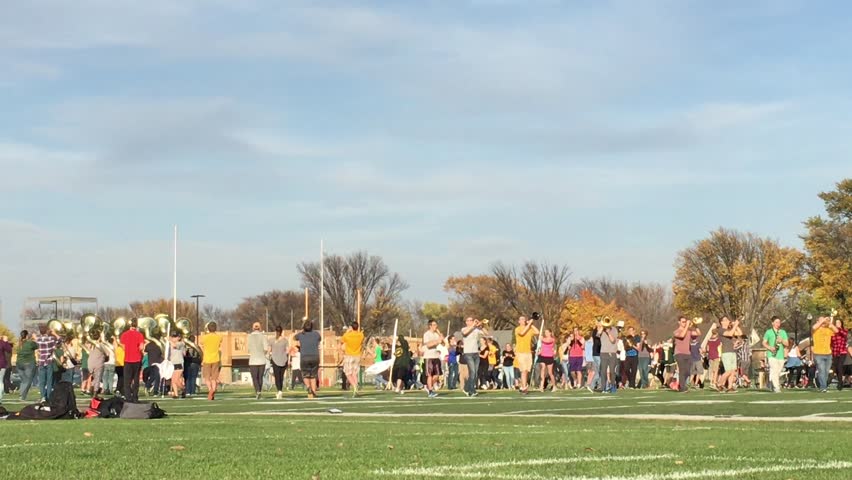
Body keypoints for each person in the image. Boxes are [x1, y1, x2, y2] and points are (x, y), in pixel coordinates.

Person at [762, 316, 789, 393]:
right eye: (776, 322)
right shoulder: (768, 332)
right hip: (771, 355)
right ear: (772, 323)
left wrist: (782, 340)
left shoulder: (783, 332)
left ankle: (771, 384)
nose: (778, 324)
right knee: (774, 370)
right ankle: (777, 387)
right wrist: (769, 347)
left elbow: (787, 344)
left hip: (780, 355)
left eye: (779, 322)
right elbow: (764, 342)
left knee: (778, 371)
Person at [294, 320, 321, 399]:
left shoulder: (301, 334)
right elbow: (319, 339)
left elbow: (293, 337)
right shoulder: (316, 334)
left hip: (305, 356)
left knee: (305, 374)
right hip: (315, 356)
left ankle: (308, 387)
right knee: (313, 375)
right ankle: (314, 391)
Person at [714, 317, 742, 392]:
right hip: (726, 352)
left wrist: (736, 325)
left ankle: (730, 387)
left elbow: (740, 333)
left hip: (732, 351)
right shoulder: (721, 330)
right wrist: (735, 325)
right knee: (728, 371)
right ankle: (719, 384)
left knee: (733, 371)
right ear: (721, 322)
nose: (727, 321)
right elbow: (730, 334)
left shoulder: (730, 329)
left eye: (728, 320)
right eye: (725, 320)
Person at [120, 319, 145, 403]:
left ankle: (128, 397)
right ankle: (135, 397)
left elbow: (123, 347)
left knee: (127, 380)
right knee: (136, 379)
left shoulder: (124, 335)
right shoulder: (140, 335)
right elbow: (141, 347)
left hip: (127, 359)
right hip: (137, 359)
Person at [672, 316, 699, 393]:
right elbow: (682, 335)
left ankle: (680, 384)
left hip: (688, 353)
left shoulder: (688, 331)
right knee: (682, 370)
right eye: (683, 322)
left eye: (685, 321)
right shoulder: (676, 331)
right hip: (679, 353)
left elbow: (698, 333)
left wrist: (696, 325)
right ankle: (682, 387)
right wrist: (687, 325)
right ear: (679, 322)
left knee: (688, 371)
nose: (684, 323)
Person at [35, 324, 61, 402]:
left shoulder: (38, 339)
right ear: (47, 330)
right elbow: (60, 340)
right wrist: (54, 333)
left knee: (42, 381)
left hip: (41, 362)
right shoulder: (51, 339)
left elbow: (35, 345)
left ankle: (43, 397)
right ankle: (49, 396)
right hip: (49, 361)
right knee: (49, 380)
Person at [514, 316, 539, 394]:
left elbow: (537, 332)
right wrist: (529, 325)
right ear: (519, 321)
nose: (523, 320)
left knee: (527, 370)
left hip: (528, 352)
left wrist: (531, 324)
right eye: (521, 319)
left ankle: (522, 386)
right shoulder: (517, 329)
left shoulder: (529, 329)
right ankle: (524, 387)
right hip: (520, 352)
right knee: (523, 370)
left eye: (524, 319)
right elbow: (522, 333)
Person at [811, 316, 837, 393]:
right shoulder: (815, 329)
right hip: (818, 353)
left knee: (826, 371)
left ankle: (823, 385)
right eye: (821, 319)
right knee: (821, 370)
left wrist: (829, 322)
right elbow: (813, 327)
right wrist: (821, 321)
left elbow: (836, 331)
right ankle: (823, 387)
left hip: (828, 354)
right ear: (817, 320)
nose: (823, 321)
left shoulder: (828, 329)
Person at [461, 317, 485, 397]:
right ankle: (471, 390)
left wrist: (482, 326)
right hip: (468, 353)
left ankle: (466, 388)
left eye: (472, 320)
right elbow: (465, 333)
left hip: (475, 353)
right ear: (466, 322)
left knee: (475, 373)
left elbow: (486, 334)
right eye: (469, 320)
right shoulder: (464, 329)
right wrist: (473, 325)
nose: (471, 321)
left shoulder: (476, 330)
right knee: (473, 372)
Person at [200, 321, 224, 400]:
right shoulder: (219, 337)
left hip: (207, 359)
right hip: (216, 358)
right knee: (214, 378)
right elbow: (220, 341)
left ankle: (210, 389)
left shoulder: (204, 337)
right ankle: (213, 390)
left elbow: (201, 343)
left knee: (207, 378)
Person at [341, 322, 365, 397]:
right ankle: (356, 385)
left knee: (348, 373)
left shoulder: (347, 335)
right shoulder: (361, 335)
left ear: (351, 327)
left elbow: (342, 341)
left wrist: (348, 331)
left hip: (349, 355)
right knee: (354, 373)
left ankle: (354, 386)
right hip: (357, 355)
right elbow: (362, 341)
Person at [247, 322, 269, 400]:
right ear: (260, 328)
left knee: (254, 377)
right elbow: (266, 349)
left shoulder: (249, 337)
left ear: (253, 328)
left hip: (253, 360)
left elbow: (248, 349)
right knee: (260, 377)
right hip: (261, 360)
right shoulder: (263, 337)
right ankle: (259, 390)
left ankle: (257, 391)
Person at [16, 331, 38, 401]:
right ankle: (22, 396)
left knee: (23, 381)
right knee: (28, 381)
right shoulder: (30, 343)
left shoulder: (19, 344)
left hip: (19, 364)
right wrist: (35, 338)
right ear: (27, 335)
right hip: (28, 363)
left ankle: (21, 395)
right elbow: (38, 346)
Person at [599, 320, 618, 394]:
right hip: (603, 352)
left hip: (612, 353)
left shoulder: (614, 330)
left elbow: (613, 340)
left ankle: (613, 386)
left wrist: (608, 332)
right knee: (603, 371)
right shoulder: (602, 330)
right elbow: (597, 336)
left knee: (612, 371)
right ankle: (603, 388)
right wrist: (601, 328)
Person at [270, 326, 289, 399]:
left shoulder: (271, 340)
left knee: (277, 376)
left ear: (275, 331)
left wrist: (267, 355)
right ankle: (280, 390)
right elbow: (287, 351)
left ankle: (279, 390)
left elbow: (269, 350)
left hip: (275, 360)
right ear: (282, 331)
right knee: (281, 376)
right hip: (283, 360)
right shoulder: (285, 340)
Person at [829, 318, 847, 391]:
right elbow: (830, 342)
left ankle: (840, 383)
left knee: (839, 366)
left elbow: (843, 334)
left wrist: (837, 328)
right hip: (835, 352)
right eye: (836, 323)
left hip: (842, 352)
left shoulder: (844, 330)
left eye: (839, 322)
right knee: (834, 367)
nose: (838, 324)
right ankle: (830, 380)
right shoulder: (832, 332)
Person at [168, 332, 186, 398]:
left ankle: (183, 388)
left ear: (179, 338)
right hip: (172, 363)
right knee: (173, 380)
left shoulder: (181, 343)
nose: (173, 338)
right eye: (173, 337)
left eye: (175, 337)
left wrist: (169, 340)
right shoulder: (171, 344)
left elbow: (175, 346)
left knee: (177, 380)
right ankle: (176, 394)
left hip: (178, 362)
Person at [0, 336, 11, 403]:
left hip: (2, 364)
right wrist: (6, 341)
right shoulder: (2, 343)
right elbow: (9, 349)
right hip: (1, 364)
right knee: (0, 381)